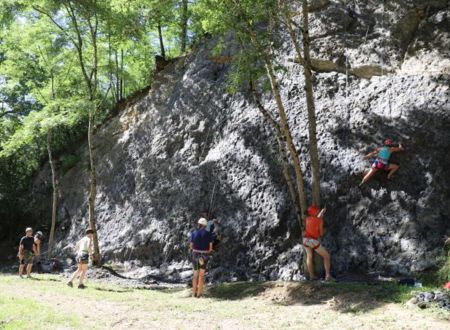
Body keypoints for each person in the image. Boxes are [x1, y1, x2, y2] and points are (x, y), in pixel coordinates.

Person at [303, 206, 333, 281]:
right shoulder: (319, 221)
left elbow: (316, 218)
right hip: (313, 241)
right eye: (316, 211)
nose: (317, 212)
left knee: (309, 257)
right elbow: (321, 233)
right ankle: (328, 276)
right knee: (326, 256)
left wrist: (322, 212)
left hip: (305, 240)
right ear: (314, 213)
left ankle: (311, 276)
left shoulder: (307, 219)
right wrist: (323, 230)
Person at [189, 218, 213, 298]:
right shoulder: (209, 234)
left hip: (195, 255)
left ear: (198, 224)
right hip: (204, 256)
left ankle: (193, 294)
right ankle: (199, 294)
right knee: (201, 275)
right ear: (205, 225)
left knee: (195, 275)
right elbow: (210, 248)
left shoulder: (193, 233)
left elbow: (191, 246)